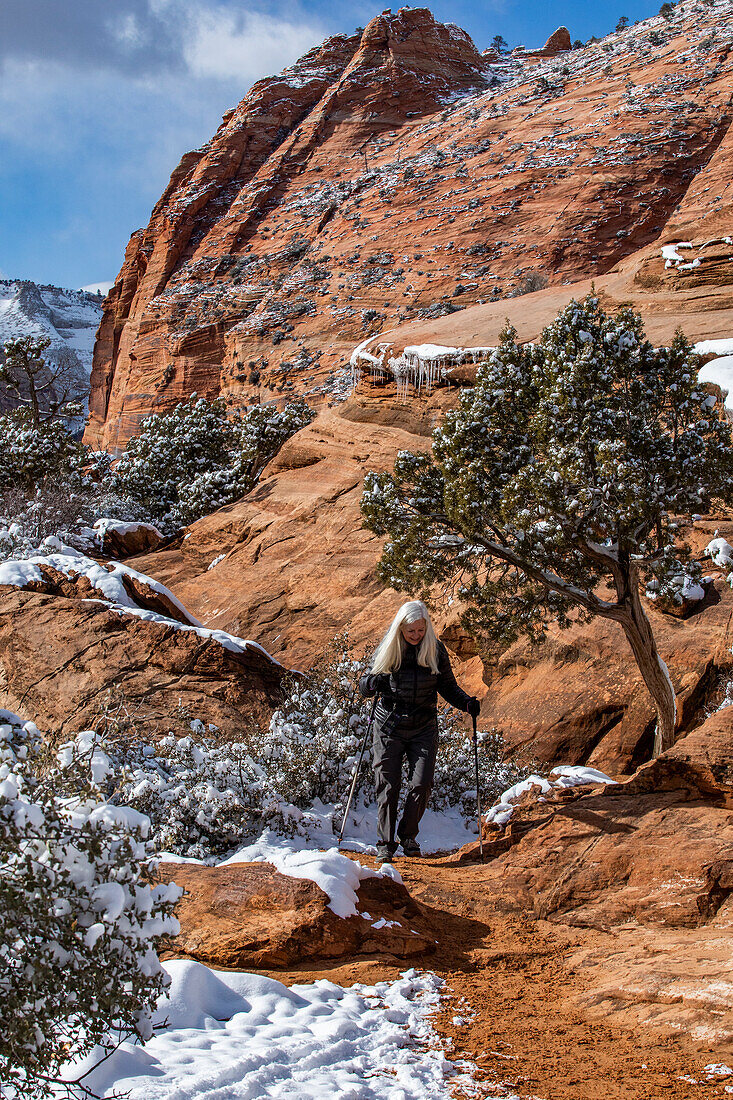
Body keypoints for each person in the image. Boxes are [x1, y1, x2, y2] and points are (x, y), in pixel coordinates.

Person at [359, 599, 481, 863]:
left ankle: (408, 835)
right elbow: (364, 685)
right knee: (388, 785)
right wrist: (372, 683)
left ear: (427, 627)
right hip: (389, 726)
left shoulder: (435, 650)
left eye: (420, 630)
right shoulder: (390, 648)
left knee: (422, 783)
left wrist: (467, 703)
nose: (416, 635)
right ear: (400, 629)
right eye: (410, 631)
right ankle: (386, 843)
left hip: (423, 726)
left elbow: (448, 687)